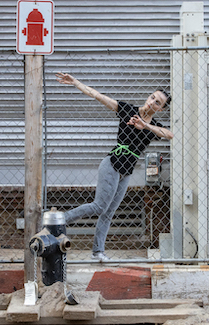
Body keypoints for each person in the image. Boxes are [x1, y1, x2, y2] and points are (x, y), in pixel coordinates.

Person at [55, 72, 173, 262]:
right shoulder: (128, 110)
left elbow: (169, 134)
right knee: (100, 206)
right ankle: (60, 220)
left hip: (126, 172)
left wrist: (145, 126)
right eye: (152, 97)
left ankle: (97, 252)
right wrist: (76, 82)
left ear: (161, 109)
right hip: (112, 164)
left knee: (108, 212)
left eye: (158, 103)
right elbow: (99, 96)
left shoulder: (154, 127)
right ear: (148, 96)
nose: (152, 102)